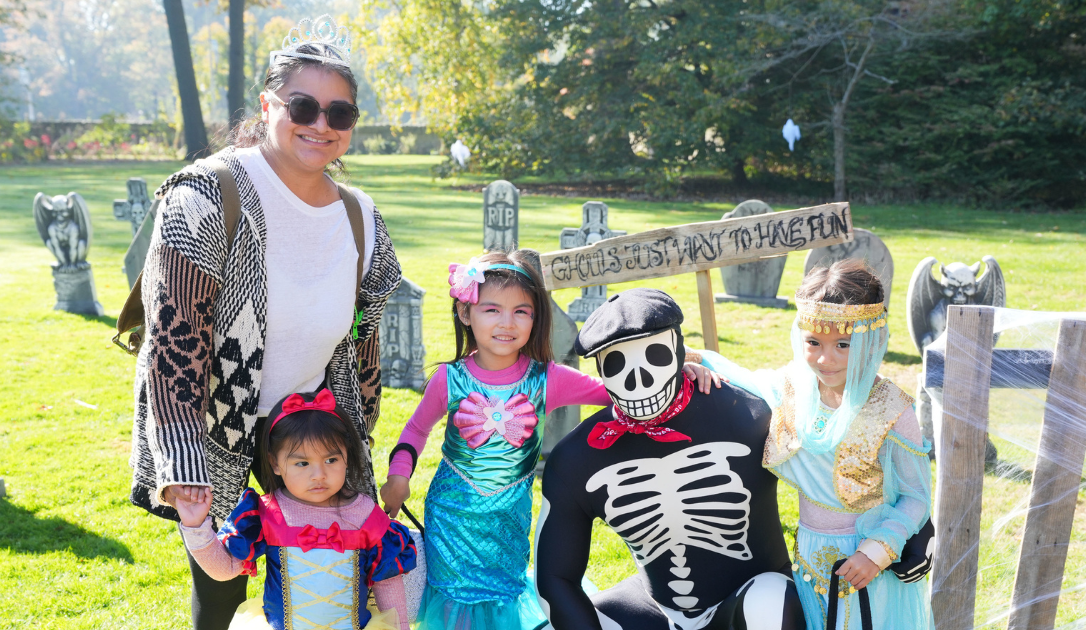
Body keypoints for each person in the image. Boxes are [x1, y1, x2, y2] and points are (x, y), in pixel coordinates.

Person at [127, 15, 402, 629]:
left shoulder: (361, 219)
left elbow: (365, 339)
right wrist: (182, 461)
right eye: (303, 105)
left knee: (330, 577)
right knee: (224, 583)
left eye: (340, 114)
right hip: (215, 429)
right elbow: (174, 347)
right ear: (267, 104)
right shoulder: (206, 195)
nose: (321, 125)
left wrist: (359, 433)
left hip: (312, 426)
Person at [379, 253, 723, 630]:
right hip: (451, 518)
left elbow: (619, 392)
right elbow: (415, 430)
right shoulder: (449, 379)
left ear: (535, 318)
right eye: (492, 310)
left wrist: (677, 371)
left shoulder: (548, 379)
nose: (506, 323)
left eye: (521, 312)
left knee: (502, 597)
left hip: (509, 519)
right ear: (466, 313)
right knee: (456, 601)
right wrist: (399, 475)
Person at [536, 288, 807, 630]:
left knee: (771, 600)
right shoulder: (577, 457)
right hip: (654, 608)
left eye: (654, 356)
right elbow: (555, 580)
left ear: (680, 350)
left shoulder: (747, 416)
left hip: (746, 602)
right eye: (618, 364)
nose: (639, 382)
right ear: (601, 371)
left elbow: (828, 479)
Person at [693, 260, 935, 630]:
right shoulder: (793, 387)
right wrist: (694, 362)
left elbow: (916, 496)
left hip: (867, 565)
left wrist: (877, 552)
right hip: (808, 559)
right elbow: (742, 377)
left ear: (872, 339)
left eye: (843, 344)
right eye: (813, 343)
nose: (826, 359)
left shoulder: (892, 410)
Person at [174, 389, 417, 630]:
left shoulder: (366, 515)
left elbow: (388, 583)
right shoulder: (266, 514)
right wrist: (196, 527)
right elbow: (224, 570)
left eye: (331, 460)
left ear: (348, 456)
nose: (319, 475)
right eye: (302, 463)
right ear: (275, 463)